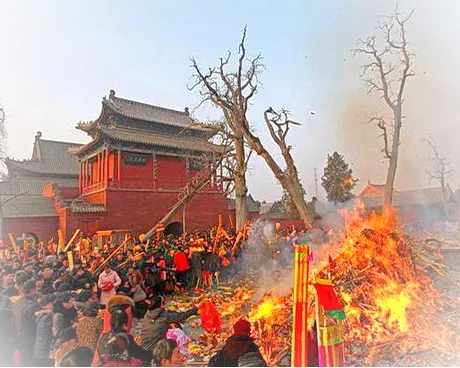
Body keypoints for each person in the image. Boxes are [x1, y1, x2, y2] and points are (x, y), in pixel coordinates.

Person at [12, 279, 39, 366]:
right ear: (32, 290)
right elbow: (36, 322)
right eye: (36, 288)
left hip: (18, 337)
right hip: (31, 339)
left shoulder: (17, 302)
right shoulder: (33, 305)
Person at [34, 294, 56, 366]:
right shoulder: (47, 317)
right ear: (49, 303)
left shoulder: (41, 314)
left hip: (39, 349)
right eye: (54, 303)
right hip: (45, 350)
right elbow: (50, 334)